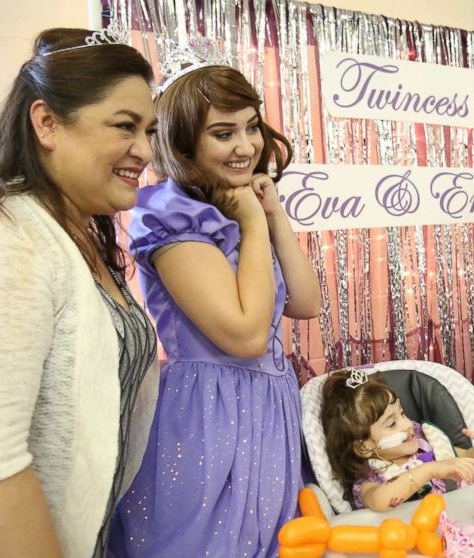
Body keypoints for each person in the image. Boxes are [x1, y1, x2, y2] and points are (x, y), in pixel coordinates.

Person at [0, 28, 159, 557]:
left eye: (150, 131)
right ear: (46, 122)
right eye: (125, 126)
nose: (145, 151)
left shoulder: (75, 232)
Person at [107, 63, 321, 557]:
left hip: (269, 405)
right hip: (207, 413)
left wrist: (271, 214)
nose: (246, 146)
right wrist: (250, 223)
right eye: (224, 133)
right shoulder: (170, 213)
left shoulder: (240, 205)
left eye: (251, 127)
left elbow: (305, 304)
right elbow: (244, 337)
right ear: (183, 142)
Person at [320, 369, 474, 512]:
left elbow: (464, 460)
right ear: (364, 447)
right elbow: (380, 500)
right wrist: (429, 470)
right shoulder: (369, 480)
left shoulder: (425, 443)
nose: (407, 424)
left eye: (402, 413)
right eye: (392, 423)